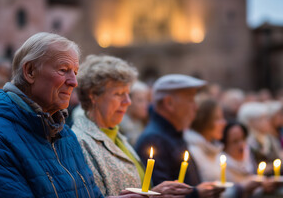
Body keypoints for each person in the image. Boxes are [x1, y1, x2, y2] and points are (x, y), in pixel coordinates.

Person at [0, 33, 143, 198]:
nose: (74, 82)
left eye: (75, 73)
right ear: (30, 71)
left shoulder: (66, 135)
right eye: (63, 70)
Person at [72, 55, 192, 197]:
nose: (128, 102)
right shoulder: (79, 142)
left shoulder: (118, 137)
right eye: (119, 94)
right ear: (93, 95)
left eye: (128, 94)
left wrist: (158, 193)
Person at [135, 74, 225, 198]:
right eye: (190, 100)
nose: (196, 107)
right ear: (169, 103)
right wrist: (197, 194)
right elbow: (160, 192)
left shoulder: (173, 133)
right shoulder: (154, 139)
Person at [120, 80, 150, 146]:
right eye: (140, 100)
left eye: (147, 100)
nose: (145, 105)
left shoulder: (140, 124)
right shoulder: (120, 127)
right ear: (128, 101)